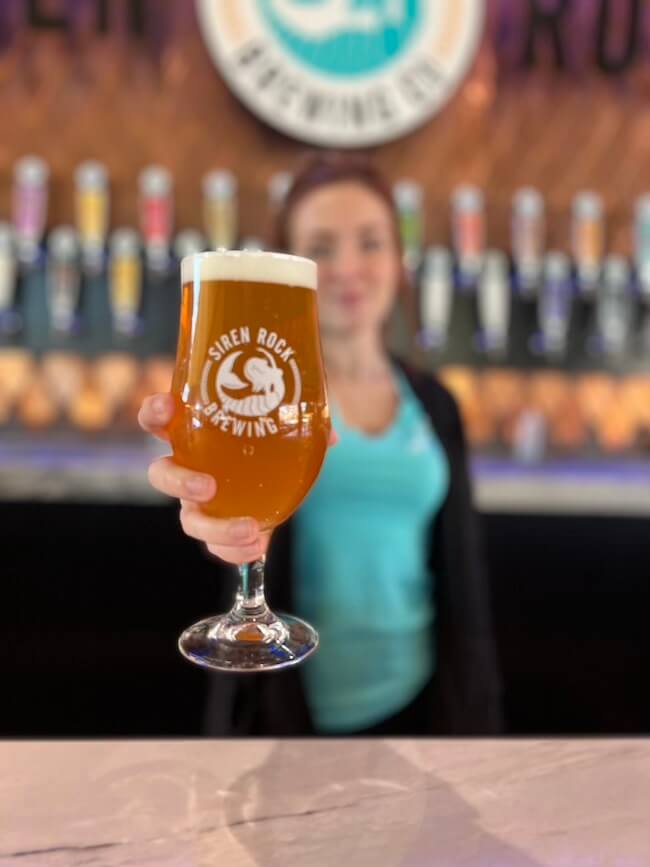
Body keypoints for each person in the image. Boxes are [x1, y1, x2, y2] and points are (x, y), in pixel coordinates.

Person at [139, 153, 504, 736]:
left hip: (426, 705)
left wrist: (480, 716)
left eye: (370, 242)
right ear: (291, 265)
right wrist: (212, 515)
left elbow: (465, 577)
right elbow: (225, 519)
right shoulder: (270, 404)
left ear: (399, 257)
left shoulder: (435, 403)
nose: (348, 267)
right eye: (323, 247)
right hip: (287, 718)